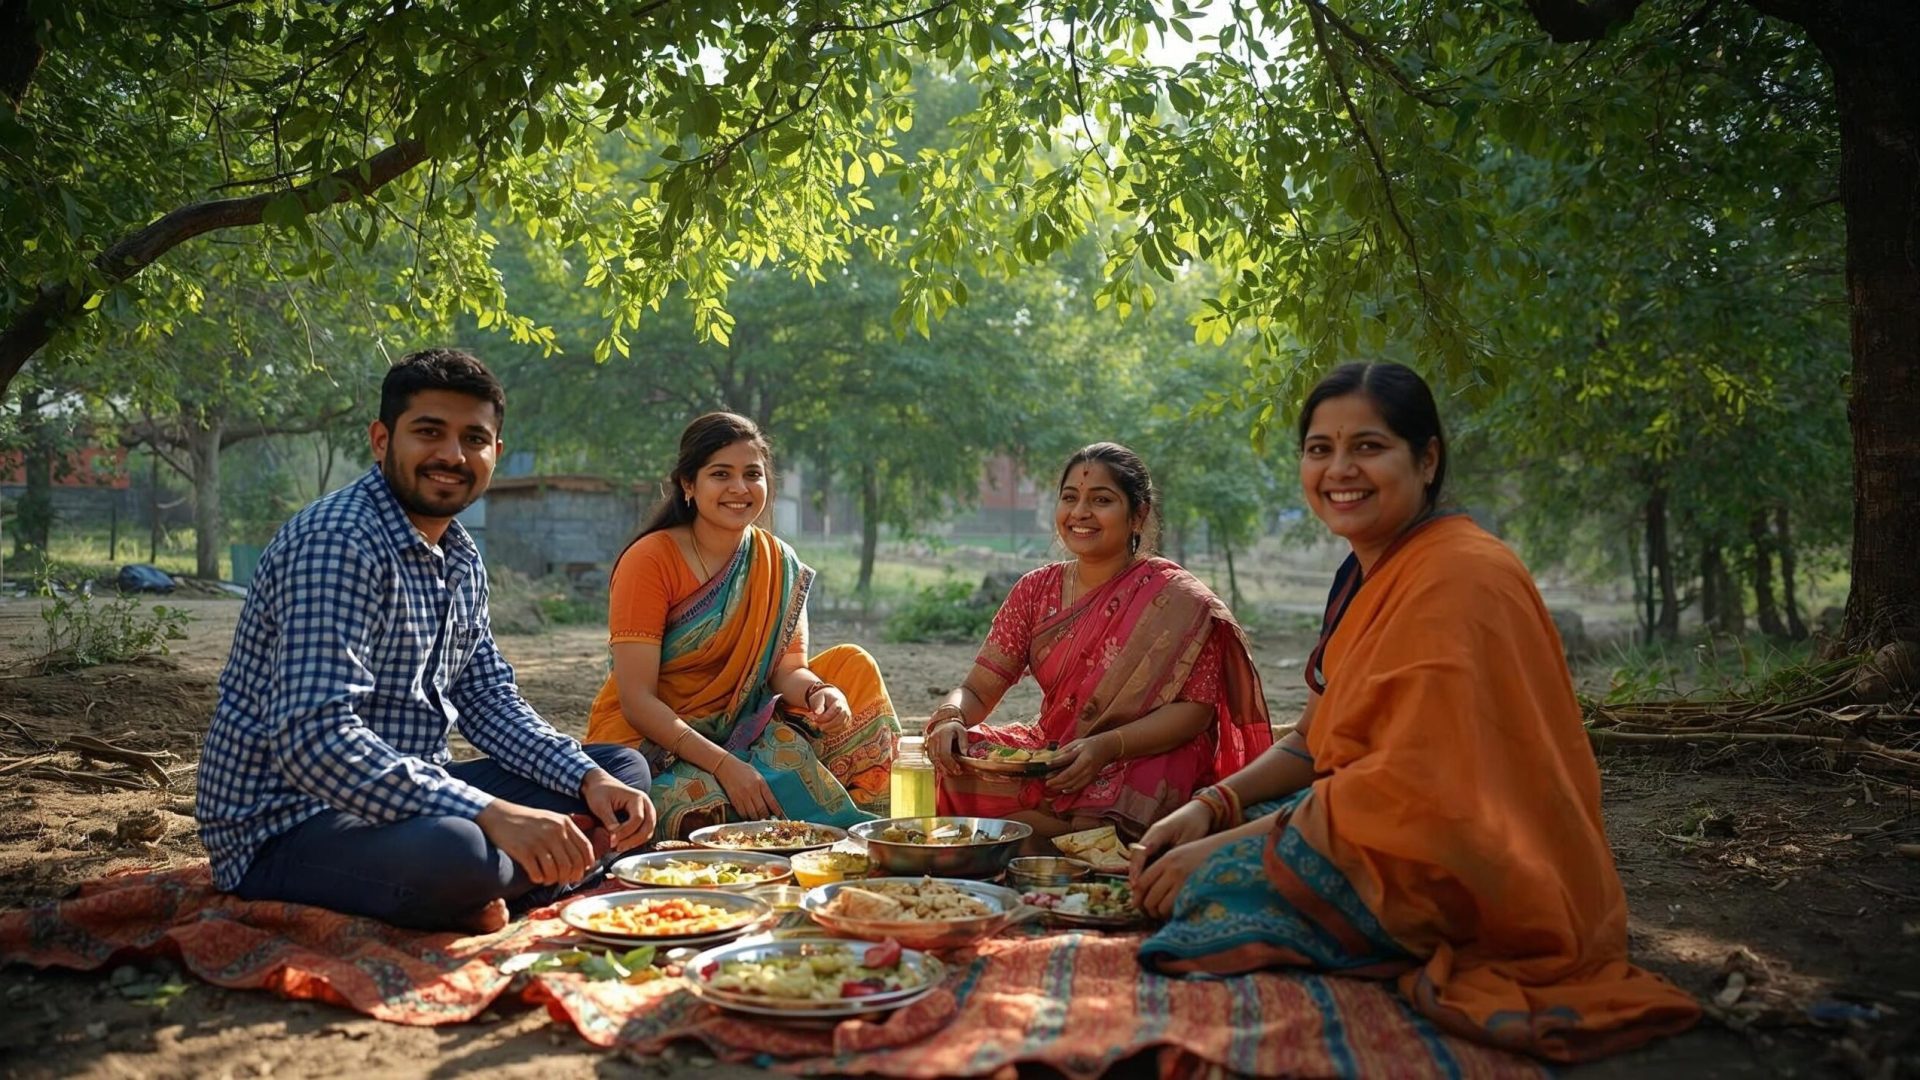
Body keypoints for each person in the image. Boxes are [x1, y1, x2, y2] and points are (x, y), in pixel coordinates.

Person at [1130, 362, 1700, 1061]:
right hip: (1383, 818)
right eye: (1320, 449)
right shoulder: (1368, 572)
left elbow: (1411, 787)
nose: (1340, 470)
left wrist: (1218, 851)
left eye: (1368, 447)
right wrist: (1210, 807)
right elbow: (1311, 745)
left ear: (1426, 460)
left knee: (1203, 901)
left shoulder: (1461, 576)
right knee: (1187, 841)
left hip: (1472, 863)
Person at [196, 349, 657, 934]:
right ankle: (516, 878)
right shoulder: (338, 541)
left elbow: (488, 700)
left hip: (411, 791)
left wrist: (586, 779)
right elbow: (315, 741)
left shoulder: (460, 554)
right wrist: (491, 813)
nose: (452, 456)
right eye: (429, 432)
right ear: (381, 440)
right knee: (460, 850)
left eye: (474, 438)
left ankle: (498, 886)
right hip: (290, 822)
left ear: (494, 452)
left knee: (619, 774)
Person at [926, 442, 1273, 853]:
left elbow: (1195, 713)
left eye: (1101, 500)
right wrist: (951, 717)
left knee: (1129, 788)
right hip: (1060, 752)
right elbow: (979, 687)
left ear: (1138, 514)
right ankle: (1069, 841)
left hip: (1142, 751)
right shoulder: (1035, 591)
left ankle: (1051, 836)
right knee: (959, 759)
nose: (1080, 513)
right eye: (1070, 498)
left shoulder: (1179, 601)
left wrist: (1107, 746)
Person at [584, 413, 900, 838]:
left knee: (853, 666)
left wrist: (819, 693)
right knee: (700, 811)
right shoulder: (650, 560)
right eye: (721, 474)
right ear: (688, 484)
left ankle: (872, 829)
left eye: (752, 474)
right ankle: (791, 802)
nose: (739, 488)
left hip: (745, 729)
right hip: (652, 743)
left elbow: (787, 669)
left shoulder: (778, 562)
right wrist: (724, 765)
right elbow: (637, 701)